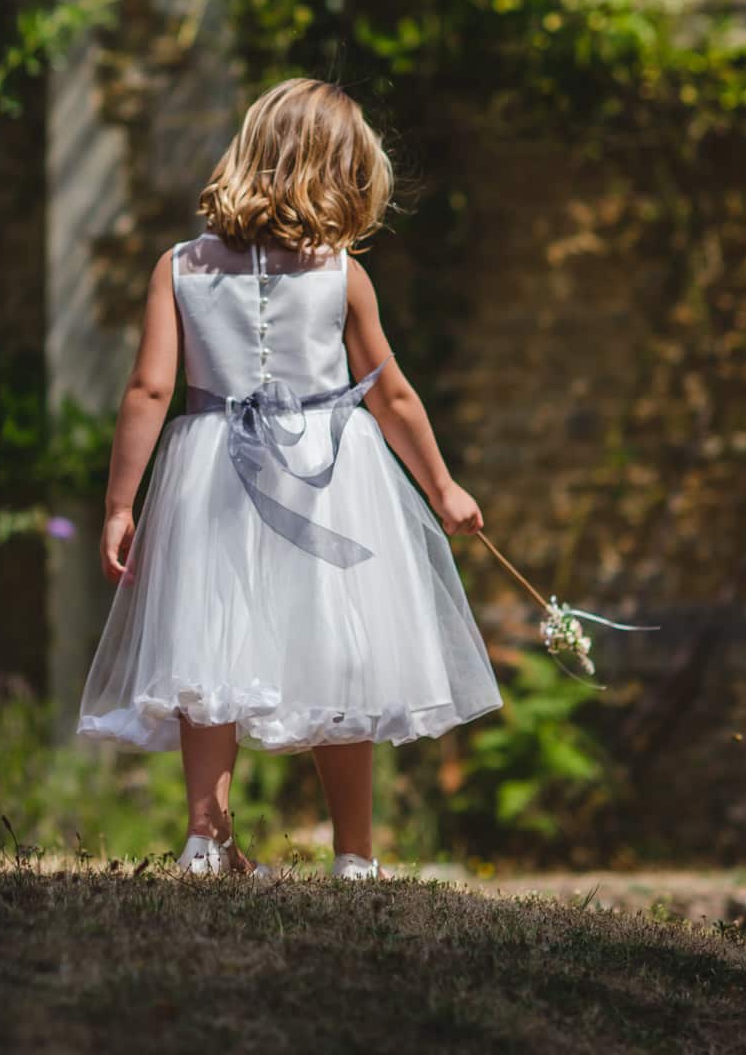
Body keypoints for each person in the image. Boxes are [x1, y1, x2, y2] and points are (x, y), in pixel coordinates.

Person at [77, 78, 503, 881]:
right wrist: (443, 487)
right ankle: (355, 853)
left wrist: (120, 503)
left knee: (208, 649)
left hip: (208, 472)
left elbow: (149, 390)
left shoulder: (179, 269)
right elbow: (393, 392)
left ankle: (207, 838)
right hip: (327, 476)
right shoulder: (342, 274)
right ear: (336, 171)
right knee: (339, 650)